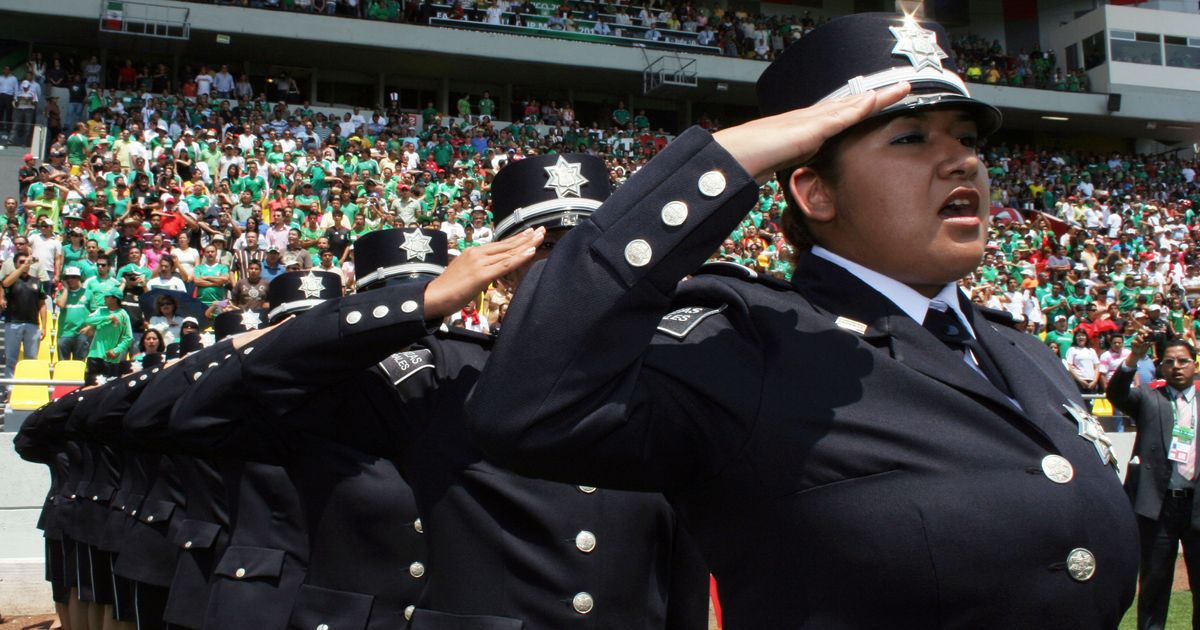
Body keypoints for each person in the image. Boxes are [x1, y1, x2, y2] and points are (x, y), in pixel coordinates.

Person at [468, 12, 1137, 628]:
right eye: (910, 137)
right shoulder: (749, 343)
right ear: (816, 190)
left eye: (966, 138)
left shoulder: (1023, 356)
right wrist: (726, 159)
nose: (962, 159)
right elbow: (528, 408)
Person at [169, 159, 709, 629]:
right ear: (500, 275)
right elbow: (210, 407)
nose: (569, 267)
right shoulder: (442, 377)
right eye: (543, 248)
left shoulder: (668, 385)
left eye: (588, 247)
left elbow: (682, 580)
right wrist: (421, 301)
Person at [1108, 333, 1200, 630]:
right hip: (1158, 508)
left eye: (1183, 361)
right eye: (1169, 361)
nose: (1176, 367)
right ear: (1160, 366)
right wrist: (1134, 358)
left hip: (1197, 507)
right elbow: (1116, 394)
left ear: (1195, 364)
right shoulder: (1149, 398)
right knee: (1154, 585)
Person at [2, 250, 47, 379]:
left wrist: (43, 326)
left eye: (26, 262)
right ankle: (9, 390)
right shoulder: (10, 279)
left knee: (31, 359)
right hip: (13, 323)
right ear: (16, 264)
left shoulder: (37, 281)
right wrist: (22, 268)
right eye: (21, 262)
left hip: (32, 324)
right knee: (11, 359)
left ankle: (29, 386)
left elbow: (42, 304)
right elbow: (5, 283)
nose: (25, 264)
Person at [81, 287, 133, 384]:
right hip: (94, 355)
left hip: (111, 357)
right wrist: (108, 317)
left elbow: (128, 337)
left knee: (108, 387)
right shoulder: (100, 311)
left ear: (114, 299)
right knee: (90, 385)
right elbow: (88, 320)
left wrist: (116, 350)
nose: (104, 298)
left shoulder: (123, 314)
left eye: (107, 297)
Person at [56, 266, 92, 360]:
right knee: (63, 365)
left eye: (73, 277)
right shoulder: (61, 292)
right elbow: (61, 304)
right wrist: (66, 289)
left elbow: (95, 313)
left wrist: (89, 327)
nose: (70, 279)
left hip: (82, 334)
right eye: (67, 277)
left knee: (79, 364)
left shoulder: (87, 293)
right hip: (64, 333)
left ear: (79, 278)